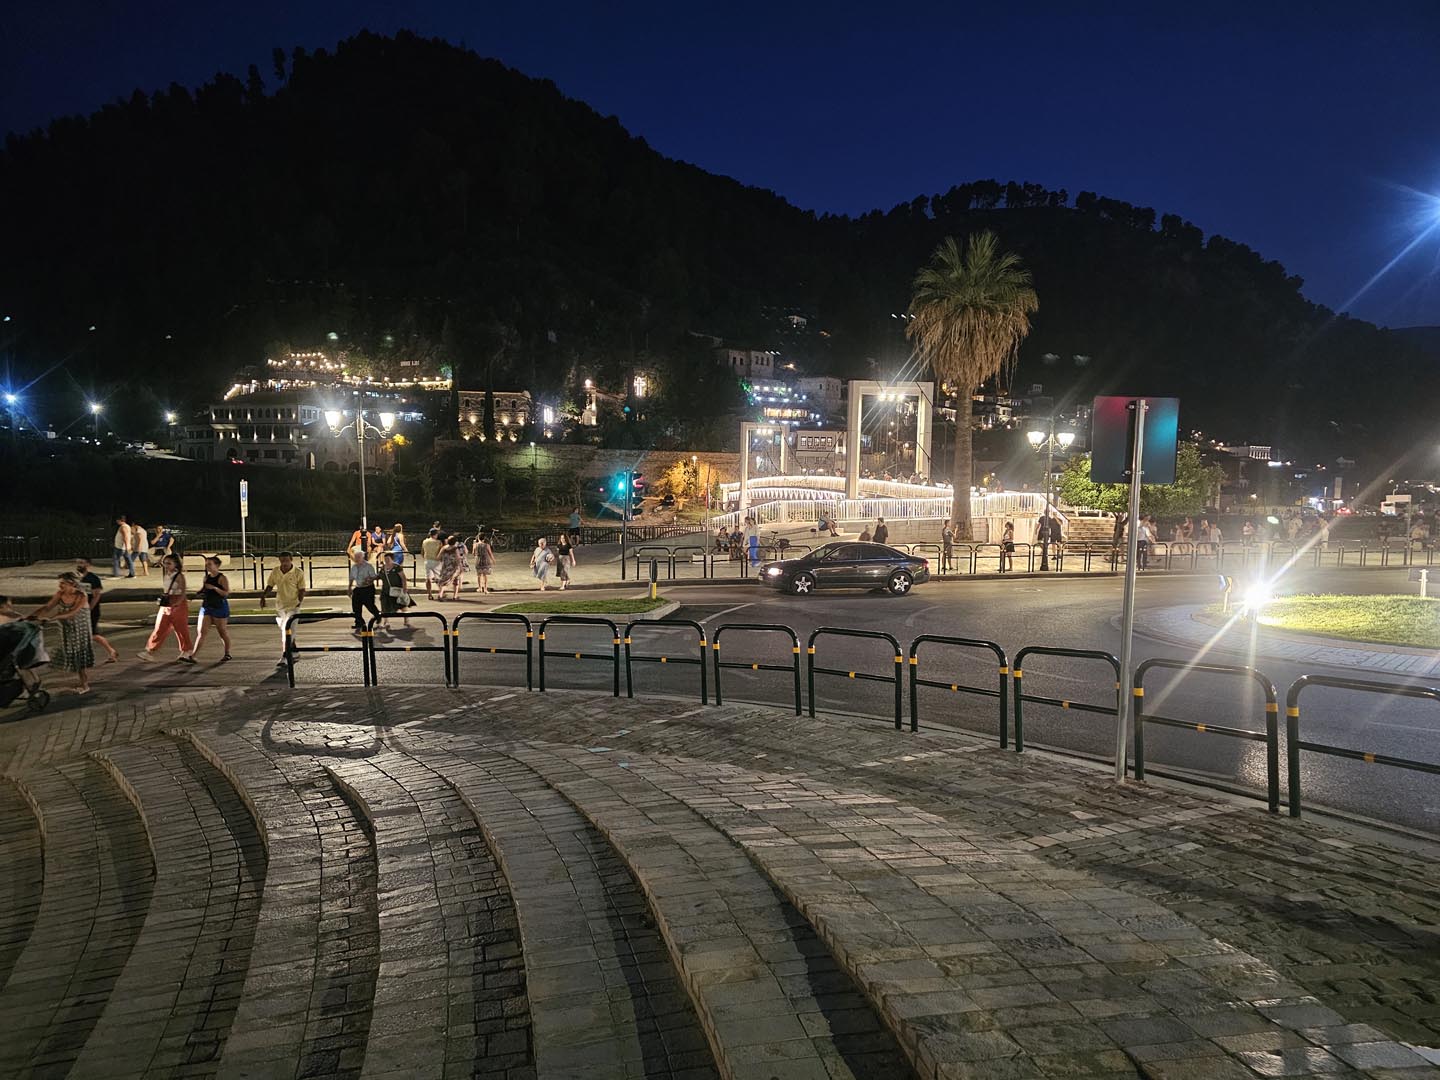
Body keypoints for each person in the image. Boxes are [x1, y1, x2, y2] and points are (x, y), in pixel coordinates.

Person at [28, 572, 95, 694]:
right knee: (67, 651)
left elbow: (72, 613)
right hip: (65, 626)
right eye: (60, 583)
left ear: (72, 584)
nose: (60, 586)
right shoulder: (60, 594)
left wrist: (53, 618)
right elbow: (47, 607)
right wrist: (32, 615)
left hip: (80, 628)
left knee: (77, 653)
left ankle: (85, 685)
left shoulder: (81, 595)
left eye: (63, 583)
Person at [137, 554, 191, 661]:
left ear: (176, 564)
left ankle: (187, 651)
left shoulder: (179, 576)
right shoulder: (167, 575)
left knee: (180, 628)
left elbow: (183, 591)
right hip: (167, 604)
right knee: (160, 627)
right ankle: (149, 650)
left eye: (169, 563)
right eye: (165, 563)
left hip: (178, 604)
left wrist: (177, 603)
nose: (166, 565)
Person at [180, 555, 232, 664]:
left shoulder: (222, 578)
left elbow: (226, 593)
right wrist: (195, 595)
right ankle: (193, 655)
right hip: (207, 606)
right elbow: (203, 590)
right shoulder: (206, 577)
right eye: (206, 564)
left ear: (217, 565)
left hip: (219, 606)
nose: (207, 566)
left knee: (222, 631)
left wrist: (214, 588)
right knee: (201, 632)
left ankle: (227, 653)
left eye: (210, 564)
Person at [259, 551, 307, 668]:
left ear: (291, 560)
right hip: (280, 605)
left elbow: (302, 589)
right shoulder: (276, 571)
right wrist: (263, 597)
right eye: (282, 561)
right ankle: (295, 651)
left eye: (286, 560)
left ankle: (285, 655)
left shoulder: (298, 572)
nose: (284, 563)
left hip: (293, 606)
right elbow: (270, 585)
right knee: (285, 629)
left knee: (287, 632)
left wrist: (299, 603)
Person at [73, 556, 120, 664]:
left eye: (82, 563)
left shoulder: (93, 579)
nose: (79, 565)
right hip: (79, 609)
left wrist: (89, 609)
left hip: (91, 610)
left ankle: (111, 652)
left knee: (92, 634)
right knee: (83, 634)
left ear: (88, 565)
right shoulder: (76, 579)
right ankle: (110, 652)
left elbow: (96, 596)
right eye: (78, 563)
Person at [348, 549, 380, 634]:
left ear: (362, 557)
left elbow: (374, 576)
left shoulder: (368, 566)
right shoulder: (354, 567)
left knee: (370, 605)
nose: (356, 559)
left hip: (368, 588)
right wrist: (349, 588)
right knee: (356, 607)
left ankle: (377, 616)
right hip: (358, 588)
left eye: (358, 557)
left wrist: (369, 580)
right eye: (355, 557)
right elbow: (351, 578)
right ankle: (359, 622)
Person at [378, 552, 412, 630]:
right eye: (385, 559)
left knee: (402, 606)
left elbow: (403, 578)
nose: (386, 560)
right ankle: (386, 622)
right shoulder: (383, 568)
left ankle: (406, 620)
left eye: (388, 559)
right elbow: (379, 575)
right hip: (386, 590)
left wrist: (404, 588)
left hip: (397, 590)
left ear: (392, 559)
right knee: (384, 606)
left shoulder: (397, 567)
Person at [421, 528, 443, 599]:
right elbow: (441, 552)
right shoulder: (439, 542)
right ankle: (440, 593)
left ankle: (429, 594)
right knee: (439, 578)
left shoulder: (424, 541)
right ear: (436, 534)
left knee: (428, 578)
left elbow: (422, 552)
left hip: (427, 561)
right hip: (436, 561)